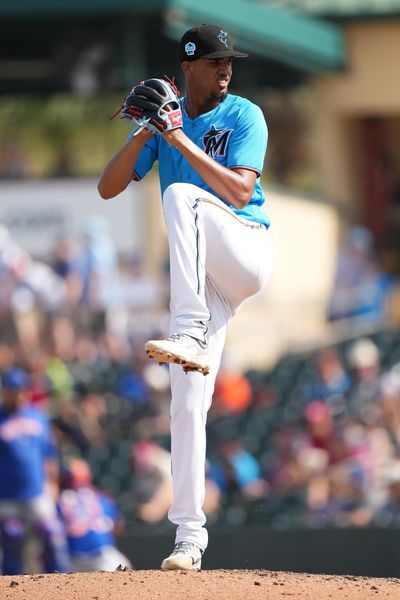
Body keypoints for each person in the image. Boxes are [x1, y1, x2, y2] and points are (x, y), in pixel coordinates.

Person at [98, 24, 274, 570]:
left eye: (229, 61)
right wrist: (146, 133)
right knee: (185, 401)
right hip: (202, 280)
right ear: (188, 68)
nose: (225, 69)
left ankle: (191, 330)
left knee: (180, 196)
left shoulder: (243, 114)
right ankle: (189, 539)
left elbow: (241, 191)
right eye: (214, 61)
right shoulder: (167, 122)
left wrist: (176, 141)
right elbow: (107, 187)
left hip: (243, 250)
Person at [0, 367, 70, 575]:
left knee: (51, 531)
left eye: (22, 389)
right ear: (6, 391)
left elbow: (49, 456)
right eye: (14, 390)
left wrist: (54, 485)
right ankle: (12, 587)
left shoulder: (38, 417)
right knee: (12, 534)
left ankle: (60, 583)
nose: (19, 394)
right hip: (7, 497)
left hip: (37, 493)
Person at [57, 457, 132, 572]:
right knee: (125, 570)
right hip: (103, 556)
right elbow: (117, 527)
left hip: (72, 560)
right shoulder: (101, 498)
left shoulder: (58, 501)